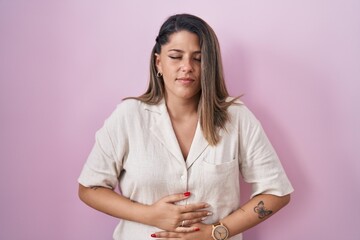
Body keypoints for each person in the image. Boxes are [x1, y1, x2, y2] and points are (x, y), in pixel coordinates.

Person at [78, 13, 294, 240]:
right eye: (175, 57)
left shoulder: (237, 118)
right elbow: (89, 188)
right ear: (158, 62)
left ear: (209, 65)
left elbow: (276, 192)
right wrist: (150, 215)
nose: (187, 67)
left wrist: (215, 233)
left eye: (198, 58)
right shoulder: (128, 116)